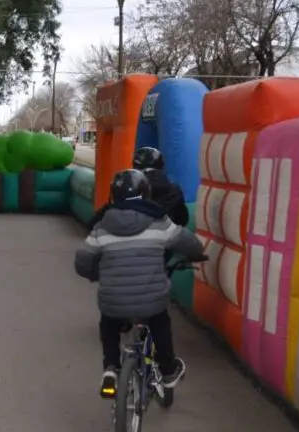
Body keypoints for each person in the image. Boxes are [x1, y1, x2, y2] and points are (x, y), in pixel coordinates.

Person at [74, 168, 206, 398]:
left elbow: (82, 262)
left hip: (113, 300)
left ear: (114, 196)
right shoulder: (160, 223)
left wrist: (97, 274)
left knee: (109, 323)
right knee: (160, 321)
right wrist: (197, 254)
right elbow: (190, 243)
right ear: (146, 193)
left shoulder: (102, 226)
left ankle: (111, 368)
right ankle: (167, 370)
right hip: (151, 300)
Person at [87, 146, 189, 231]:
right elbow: (183, 220)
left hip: (125, 244)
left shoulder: (128, 186)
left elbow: (94, 224)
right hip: (162, 246)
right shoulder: (174, 189)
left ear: (135, 165)